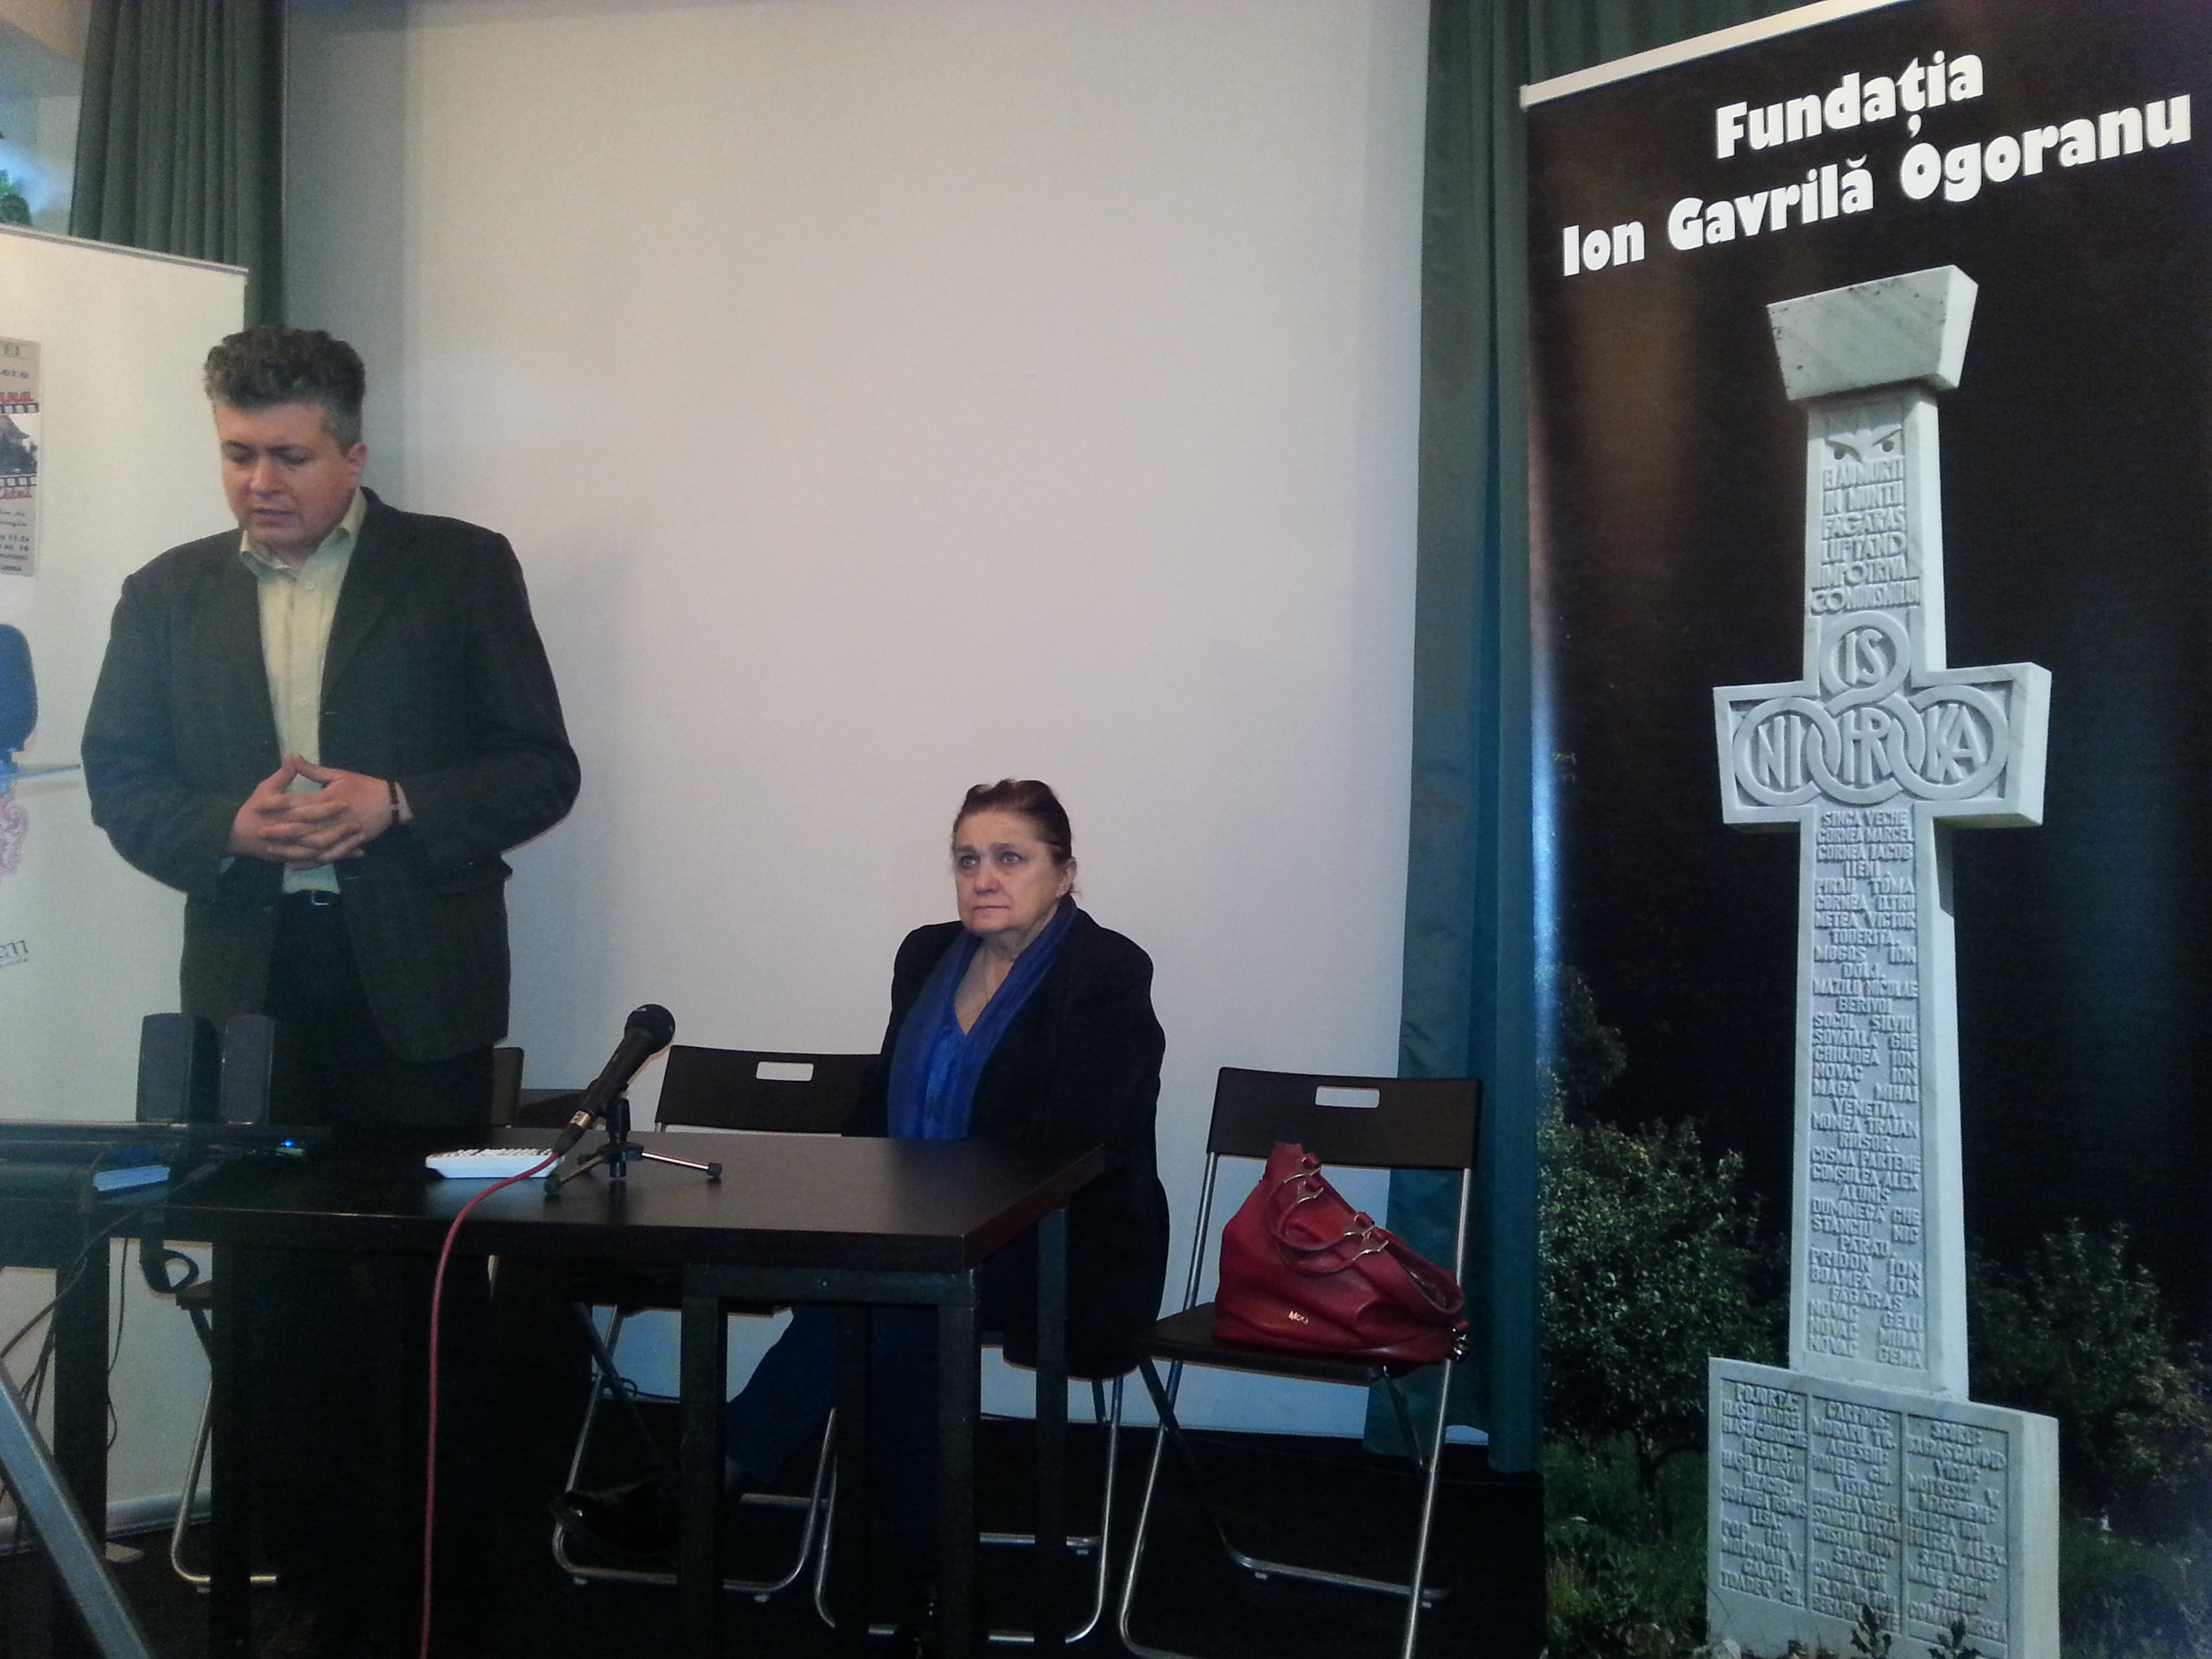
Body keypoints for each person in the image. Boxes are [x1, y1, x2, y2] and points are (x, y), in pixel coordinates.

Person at [81, 324, 579, 1658]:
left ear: (354, 452)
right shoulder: (166, 593)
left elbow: (540, 766)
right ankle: (307, 1583)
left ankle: (437, 1587)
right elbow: (122, 779)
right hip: (250, 996)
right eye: (238, 454)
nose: (261, 482)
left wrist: (398, 801)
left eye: (290, 455)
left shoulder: (459, 568)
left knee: (423, 1294)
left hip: (415, 996)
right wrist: (226, 830)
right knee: (272, 1307)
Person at [554, 778, 1170, 1644]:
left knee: (889, 1306)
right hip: (912, 1240)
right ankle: (940, 1597)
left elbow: (1075, 1143)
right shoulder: (928, 955)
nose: (984, 878)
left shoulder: (1106, 972)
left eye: (1011, 857)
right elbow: (880, 1107)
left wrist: (926, 1228)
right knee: (899, 1313)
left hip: (1051, 1238)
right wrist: (847, 1204)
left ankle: (703, 1486)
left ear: (1064, 873)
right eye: (967, 859)